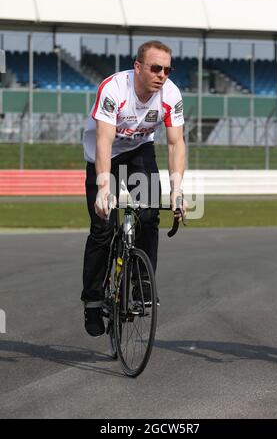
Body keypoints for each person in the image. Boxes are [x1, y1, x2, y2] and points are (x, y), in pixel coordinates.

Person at [81, 40, 185, 336]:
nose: (161, 74)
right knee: (102, 227)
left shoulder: (171, 93)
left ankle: (141, 283)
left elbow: (176, 143)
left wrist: (176, 190)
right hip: (105, 155)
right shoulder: (114, 89)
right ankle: (92, 299)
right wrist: (104, 186)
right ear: (137, 67)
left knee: (150, 215)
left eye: (166, 69)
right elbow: (103, 140)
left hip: (139, 151)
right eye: (155, 68)